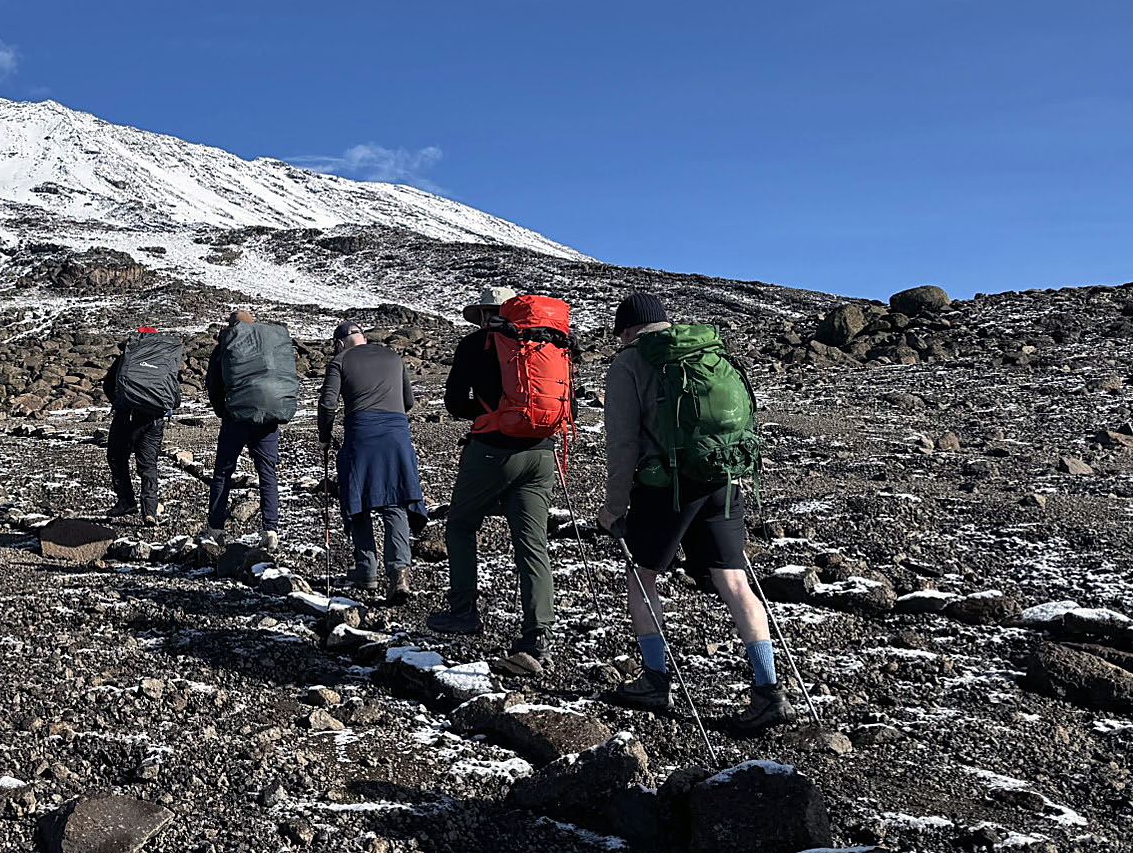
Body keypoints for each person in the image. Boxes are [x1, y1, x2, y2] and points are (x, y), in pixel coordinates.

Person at [595, 292, 794, 734]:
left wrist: (614, 507)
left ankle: (655, 680)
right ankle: (769, 690)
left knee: (642, 577)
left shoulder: (630, 362)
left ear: (626, 330)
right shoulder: (706, 350)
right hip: (722, 476)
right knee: (734, 580)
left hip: (667, 488)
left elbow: (623, 443)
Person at [426, 287, 571, 676]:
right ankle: (538, 634)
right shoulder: (550, 343)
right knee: (532, 543)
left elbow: (455, 403)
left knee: (461, 524)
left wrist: (490, 412)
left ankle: (463, 612)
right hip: (542, 451)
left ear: (483, 315)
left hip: (492, 449)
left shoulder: (475, 344)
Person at [318, 323, 424, 602]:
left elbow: (328, 404)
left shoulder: (340, 361)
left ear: (340, 343)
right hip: (396, 435)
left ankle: (367, 570)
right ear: (363, 338)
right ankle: (399, 574)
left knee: (358, 501)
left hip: (362, 433)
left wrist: (325, 436)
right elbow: (409, 402)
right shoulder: (393, 357)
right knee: (395, 502)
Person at [204, 307, 298, 551]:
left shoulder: (227, 344)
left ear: (233, 325)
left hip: (236, 417)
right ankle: (271, 530)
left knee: (223, 472)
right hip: (269, 418)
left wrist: (222, 410)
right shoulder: (270, 345)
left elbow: (213, 382)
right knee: (267, 473)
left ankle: (215, 529)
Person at [102, 325, 186, 528]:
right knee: (148, 465)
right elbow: (175, 397)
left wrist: (122, 403)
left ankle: (126, 501)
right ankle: (150, 511)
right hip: (154, 420)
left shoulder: (128, 359)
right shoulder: (164, 360)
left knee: (117, 457)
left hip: (127, 417)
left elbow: (108, 385)